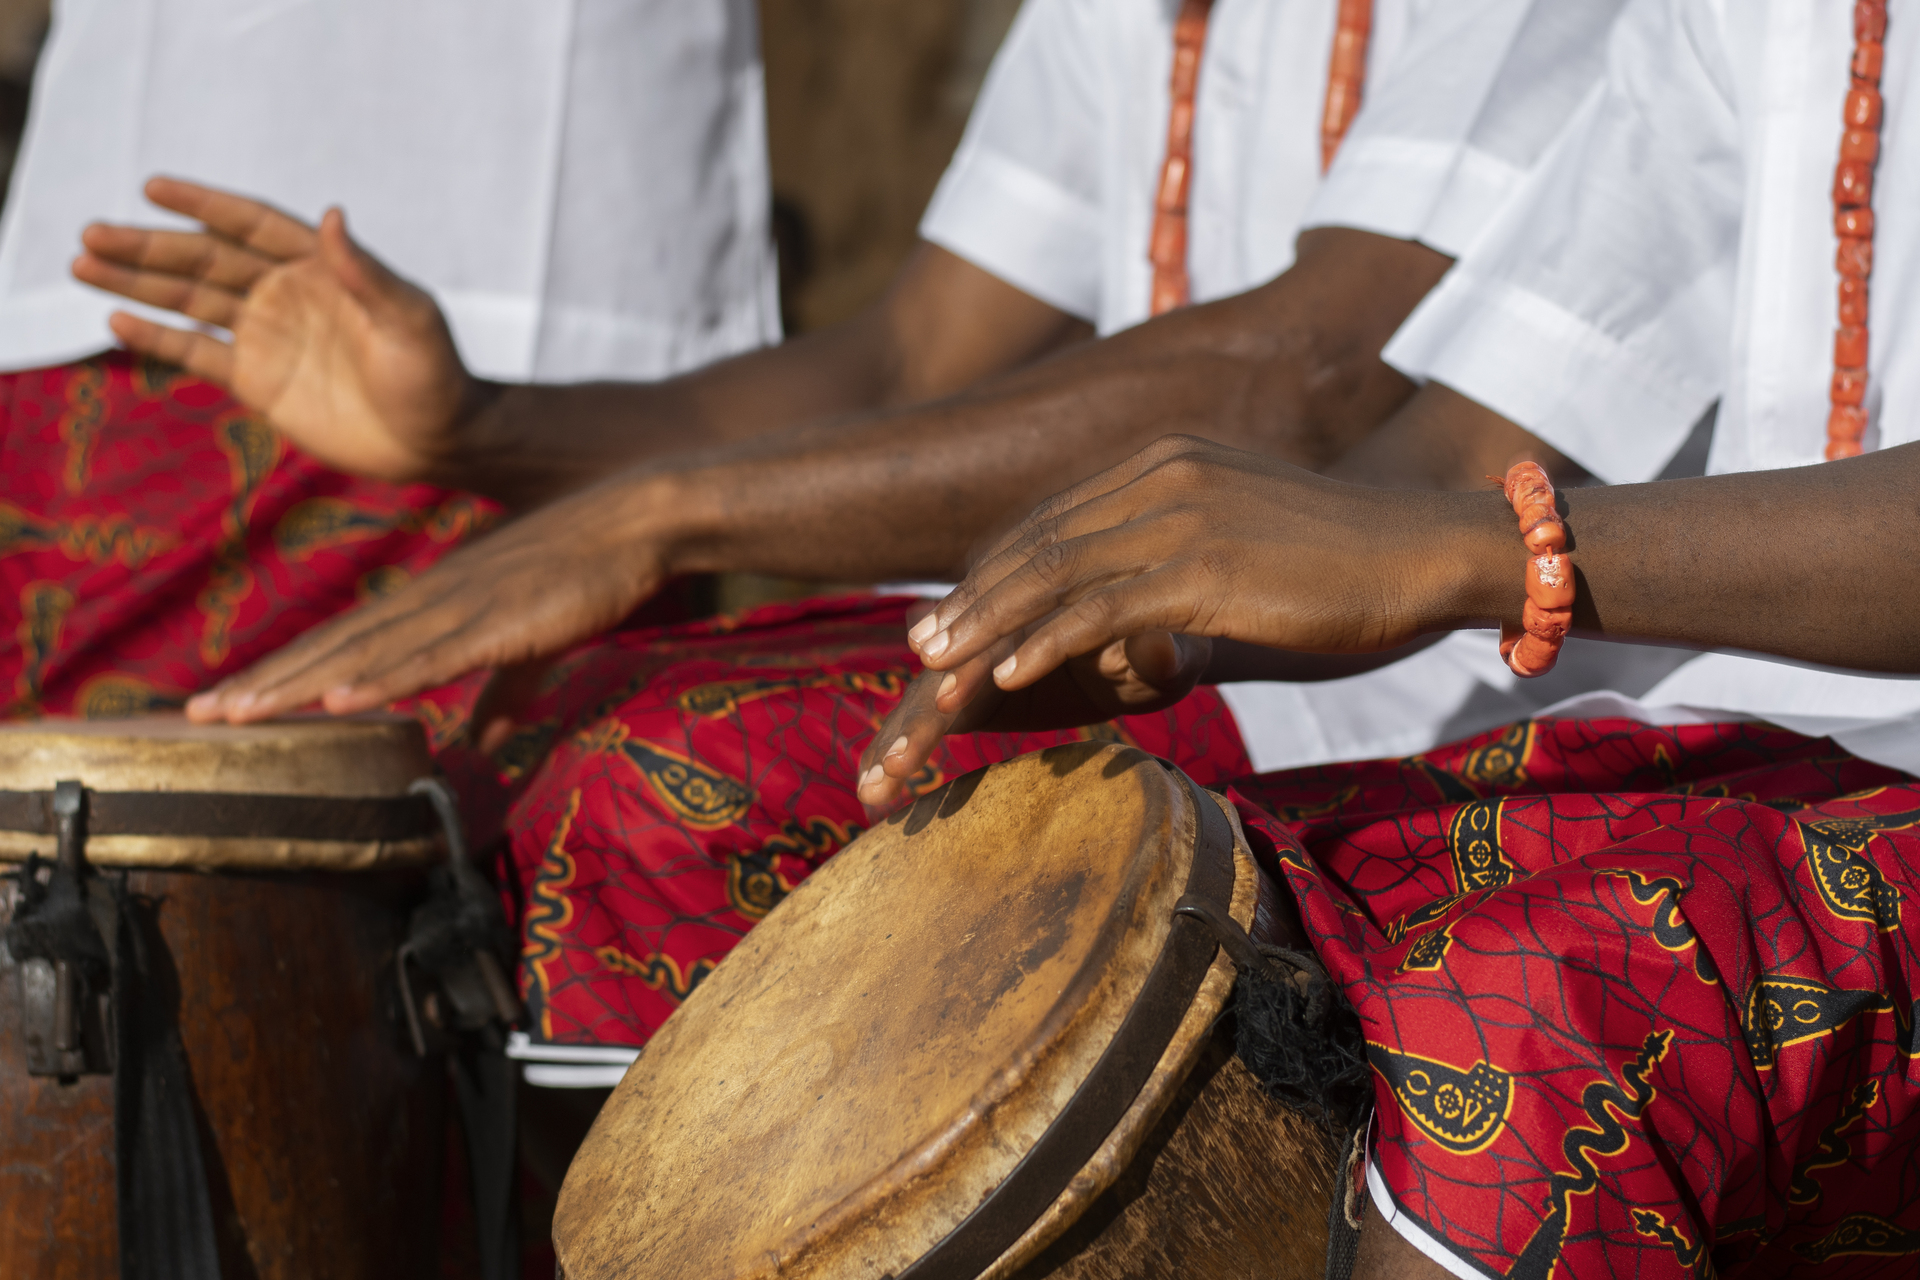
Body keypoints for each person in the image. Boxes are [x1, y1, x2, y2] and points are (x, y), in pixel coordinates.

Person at [73, 0, 1646, 1056]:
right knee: (508, 735)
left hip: (1392, 685)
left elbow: (1303, 373)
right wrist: (486, 431)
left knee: (660, 791)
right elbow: (906, 358)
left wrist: (663, 509)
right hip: (1166, 639)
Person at [861, 0, 1920, 1274]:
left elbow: (1336, 390)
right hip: (1745, 742)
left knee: (1530, 1021)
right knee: (1142, 908)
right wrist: (1191, 618)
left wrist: (1461, 551)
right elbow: (1484, 429)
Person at [1, 0, 777, 720]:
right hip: (126, 314)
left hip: (553, 305)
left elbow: (890, 370)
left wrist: (507, 432)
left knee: (520, 807)